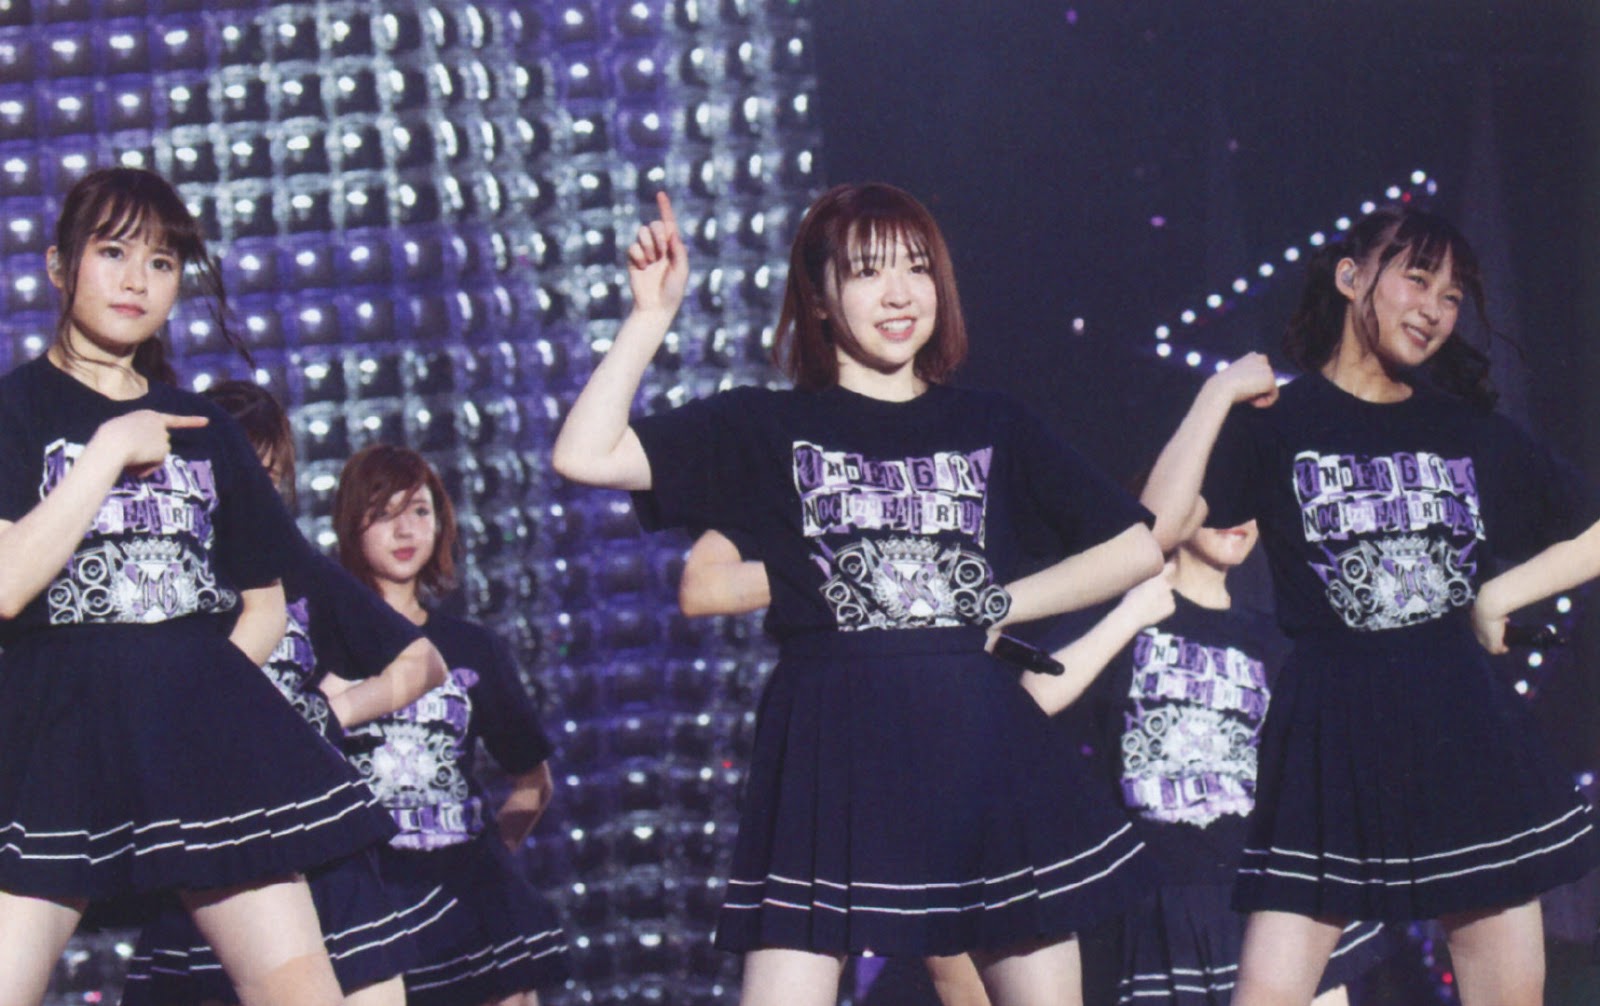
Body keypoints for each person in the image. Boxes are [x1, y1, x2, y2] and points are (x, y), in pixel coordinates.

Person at [551, 183, 1164, 1006]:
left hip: (979, 750)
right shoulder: (765, 427)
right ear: (819, 298)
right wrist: (650, 316)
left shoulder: (992, 423)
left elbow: (1134, 547)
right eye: (869, 272)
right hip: (828, 756)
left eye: (918, 268)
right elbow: (585, 454)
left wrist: (989, 604)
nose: (901, 293)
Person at [1137, 204, 1599, 1005]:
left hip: (1462, 729)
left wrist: (1499, 593)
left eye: (1452, 296)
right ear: (1352, 277)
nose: (1435, 309)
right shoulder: (1279, 424)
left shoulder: (1464, 430)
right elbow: (1154, 531)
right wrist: (1216, 395)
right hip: (1330, 736)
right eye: (1417, 279)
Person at [0, 166, 394, 1006]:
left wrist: (190, 704)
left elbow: (265, 604)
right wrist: (110, 450)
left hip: (198, 745)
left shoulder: (206, 426)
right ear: (58, 265)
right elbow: (5, 585)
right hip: (48, 744)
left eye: (163, 262)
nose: (137, 281)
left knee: (301, 992)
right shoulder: (15, 410)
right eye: (113, 252)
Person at [121, 380, 451, 1006]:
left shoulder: (294, 565)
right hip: (207, 842)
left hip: (318, 840)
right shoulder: (153, 575)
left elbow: (422, 661)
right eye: (234, 469)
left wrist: (327, 713)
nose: (250, 490)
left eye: (267, 475)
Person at [334, 444, 568, 1006]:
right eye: (383, 513)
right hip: (368, 900)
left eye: (419, 510)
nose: (405, 530)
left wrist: (488, 861)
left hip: (473, 904)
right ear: (351, 524)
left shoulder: (472, 647)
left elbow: (533, 782)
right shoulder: (324, 646)